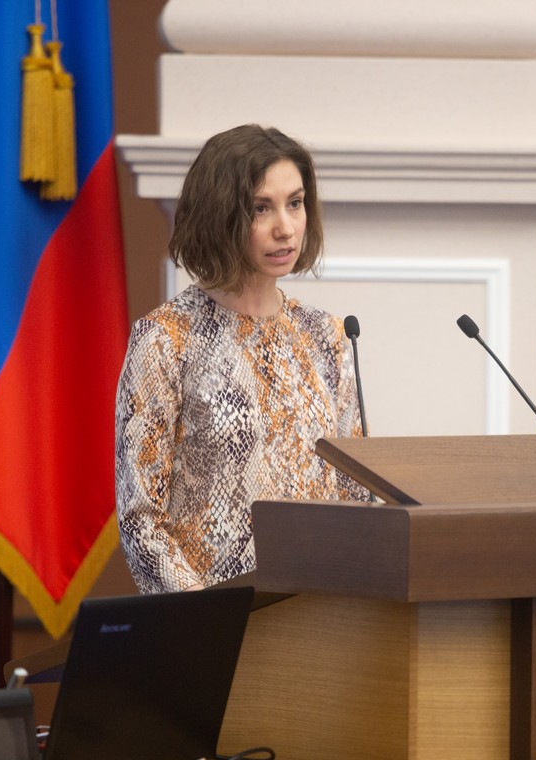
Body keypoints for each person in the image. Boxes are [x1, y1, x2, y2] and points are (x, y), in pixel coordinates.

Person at [115, 124, 369, 595]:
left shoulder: (327, 336)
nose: (285, 227)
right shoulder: (166, 339)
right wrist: (207, 617)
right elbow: (140, 520)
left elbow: (357, 496)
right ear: (219, 216)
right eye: (260, 208)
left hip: (321, 615)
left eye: (295, 203)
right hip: (213, 620)